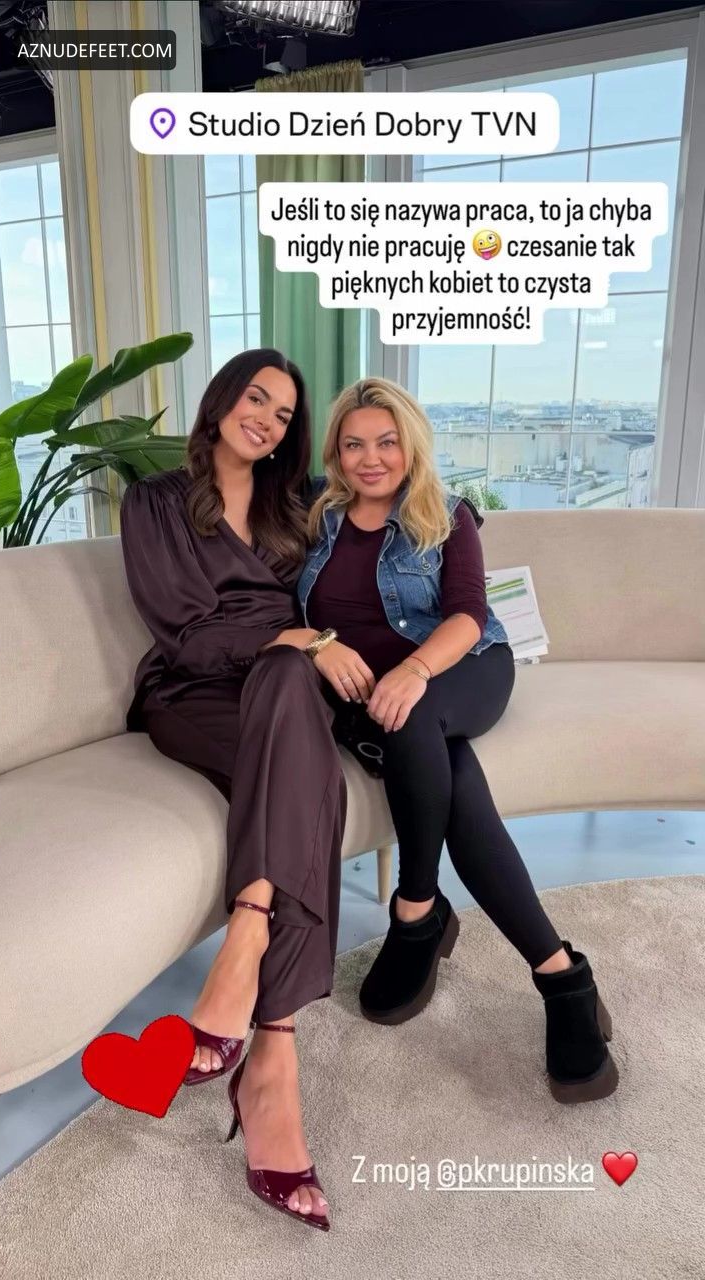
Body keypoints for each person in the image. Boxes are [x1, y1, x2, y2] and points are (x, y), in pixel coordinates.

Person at [295, 376, 619, 1105]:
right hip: (376, 695)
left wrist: (412, 670)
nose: (371, 458)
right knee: (450, 775)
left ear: (411, 445)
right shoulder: (316, 516)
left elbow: (469, 613)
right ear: (335, 453)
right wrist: (318, 645)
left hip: (463, 667)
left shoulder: (445, 514)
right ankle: (562, 975)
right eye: (354, 444)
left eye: (387, 442)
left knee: (411, 718)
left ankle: (415, 911)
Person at [119, 349, 356, 1231]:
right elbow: (181, 635)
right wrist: (287, 641)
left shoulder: (301, 506)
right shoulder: (153, 502)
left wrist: (453, 519)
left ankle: (250, 939)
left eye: (285, 413)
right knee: (310, 774)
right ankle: (272, 1068)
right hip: (193, 695)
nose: (267, 418)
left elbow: (395, 508)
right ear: (222, 400)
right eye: (256, 397)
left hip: (286, 693)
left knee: (294, 701)